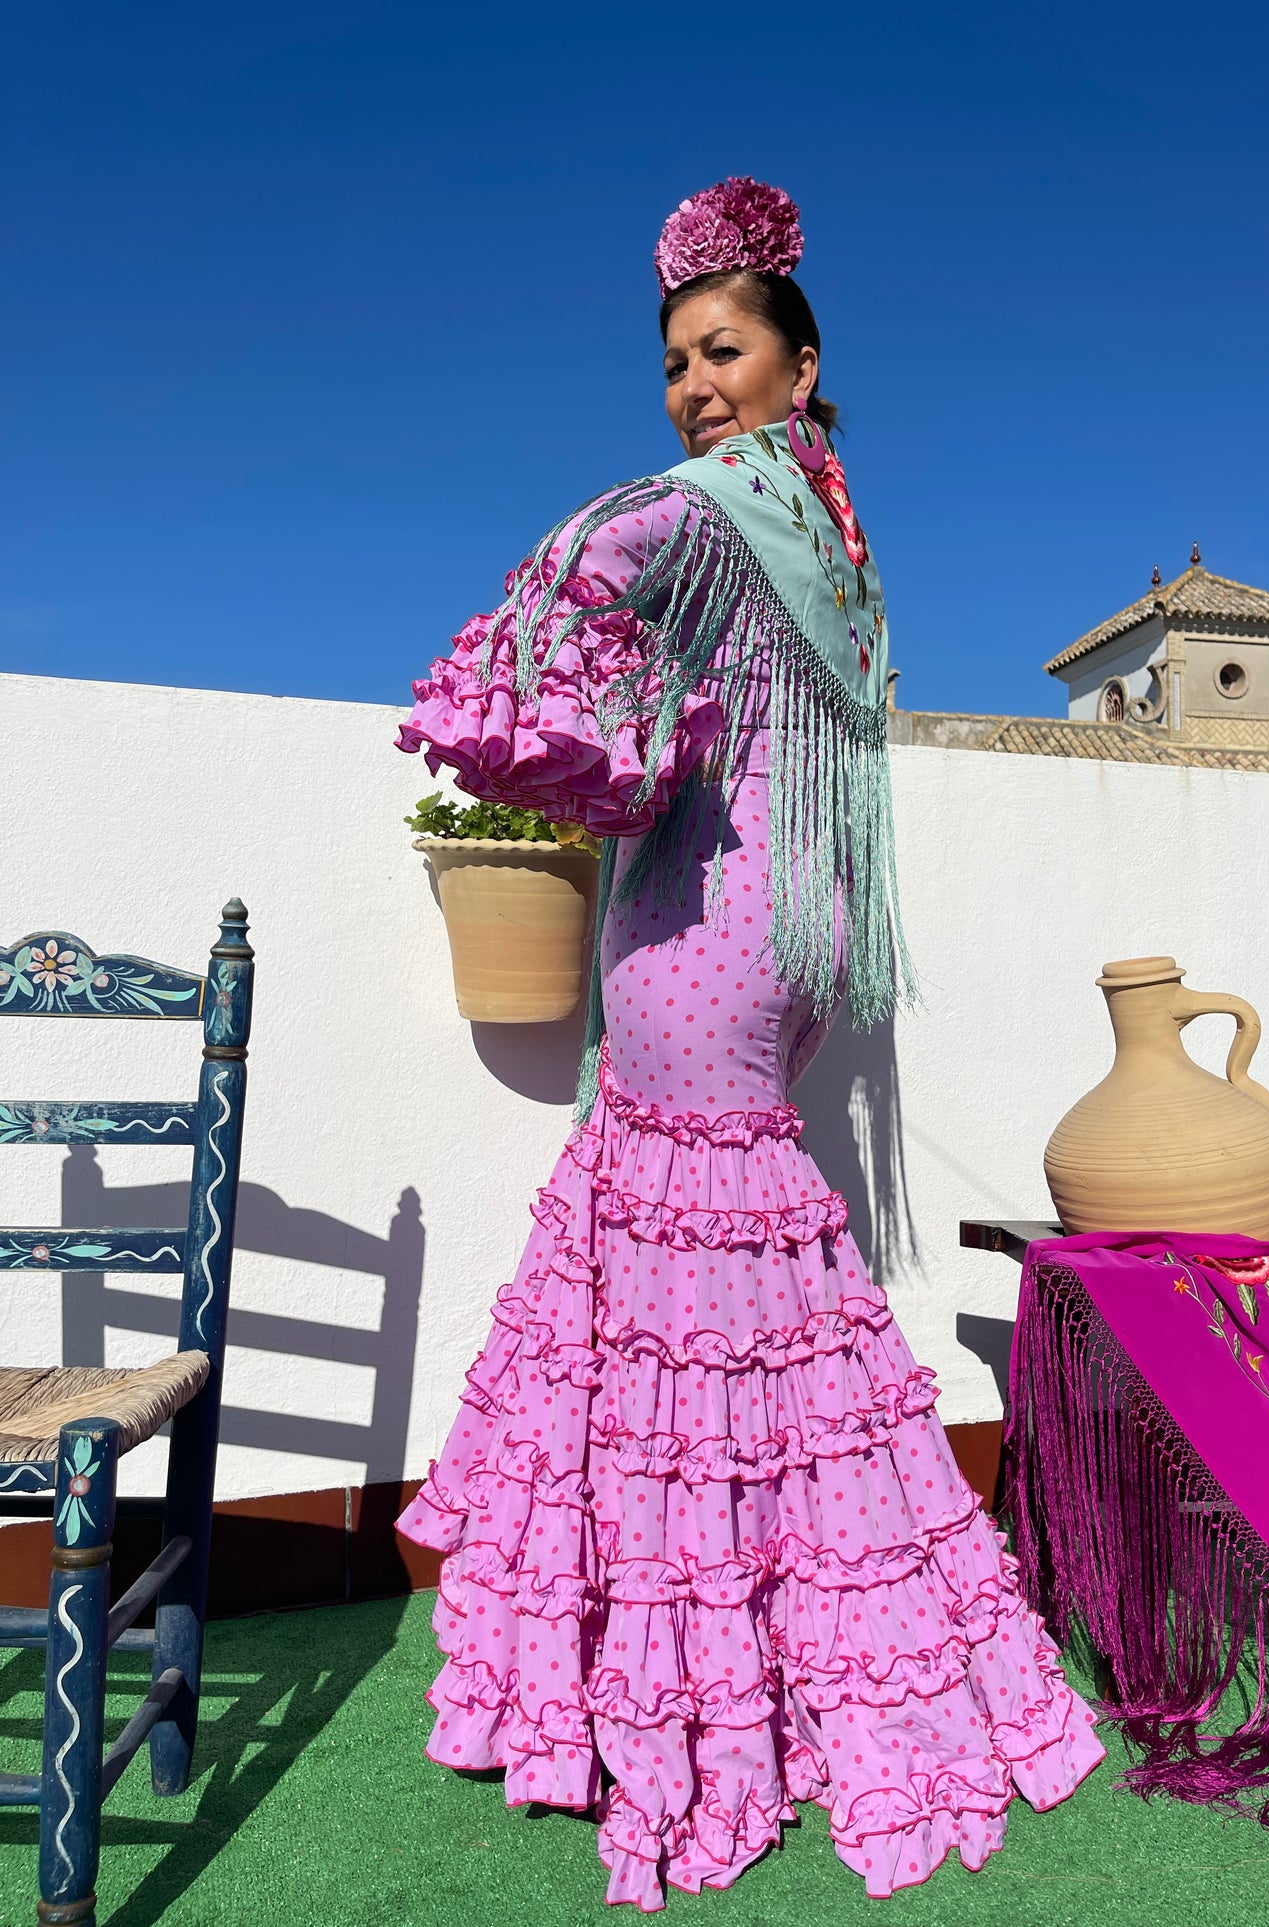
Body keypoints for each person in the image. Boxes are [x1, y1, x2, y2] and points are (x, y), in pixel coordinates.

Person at [396, 176, 1103, 1910]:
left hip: (702, 940)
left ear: (798, 363)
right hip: (789, 939)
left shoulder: (714, 506)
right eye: (674, 365)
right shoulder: (831, 536)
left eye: (722, 352)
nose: (693, 387)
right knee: (735, 1300)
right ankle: (772, 1620)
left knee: (688, 1301)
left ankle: (696, 1675)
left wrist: (598, 744)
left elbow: (572, 566)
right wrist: (644, 735)